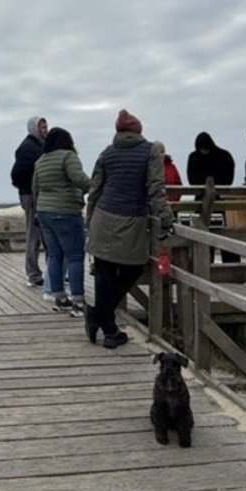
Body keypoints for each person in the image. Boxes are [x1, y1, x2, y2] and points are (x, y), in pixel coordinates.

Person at [85, 109, 173, 349]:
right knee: (133, 268)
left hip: (102, 217)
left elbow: (95, 189)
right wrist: (165, 217)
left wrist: (89, 221)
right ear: (138, 130)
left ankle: (103, 321)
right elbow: (156, 187)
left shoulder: (107, 153)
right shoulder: (151, 150)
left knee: (103, 274)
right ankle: (106, 325)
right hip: (131, 219)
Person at [31, 126, 90, 312]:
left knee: (55, 255)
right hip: (66, 211)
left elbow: (35, 189)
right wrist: (96, 186)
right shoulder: (68, 156)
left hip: (44, 213)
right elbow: (78, 179)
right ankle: (78, 302)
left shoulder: (40, 161)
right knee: (75, 257)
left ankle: (60, 298)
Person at [188, 131, 239, 261]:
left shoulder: (224, 156)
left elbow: (228, 180)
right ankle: (205, 263)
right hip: (202, 202)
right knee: (203, 236)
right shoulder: (194, 157)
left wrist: (207, 183)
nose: (204, 151)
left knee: (225, 237)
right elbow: (192, 180)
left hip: (220, 201)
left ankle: (230, 268)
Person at [10, 116, 48, 287]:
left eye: (46, 126)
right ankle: (33, 273)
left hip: (38, 194)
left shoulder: (39, 145)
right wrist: (29, 186)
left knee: (44, 234)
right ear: (34, 128)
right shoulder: (28, 147)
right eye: (42, 127)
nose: (45, 129)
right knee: (34, 234)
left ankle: (50, 271)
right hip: (31, 194)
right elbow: (17, 174)